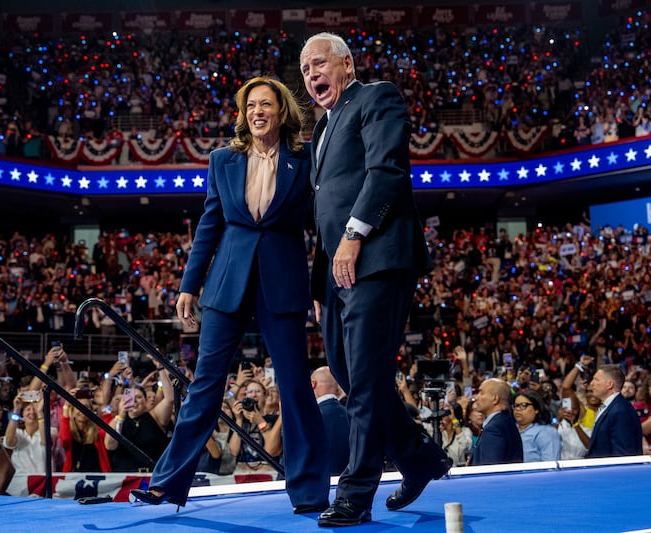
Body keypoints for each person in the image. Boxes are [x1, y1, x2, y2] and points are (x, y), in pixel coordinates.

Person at [130, 76, 329, 514]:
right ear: (243, 114)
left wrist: (319, 288)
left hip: (284, 287)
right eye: (250, 105)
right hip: (226, 286)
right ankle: (166, 484)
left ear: (282, 112)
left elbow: (323, 227)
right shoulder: (222, 160)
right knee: (205, 385)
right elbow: (209, 225)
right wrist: (188, 284)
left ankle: (311, 492)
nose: (258, 111)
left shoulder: (305, 157)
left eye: (266, 104)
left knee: (296, 388)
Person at [301, 32, 449, 527]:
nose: (311, 75)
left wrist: (353, 235)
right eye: (304, 70)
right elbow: (321, 211)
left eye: (318, 64)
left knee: (365, 378)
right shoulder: (321, 128)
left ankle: (356, 492)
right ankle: (420, 457)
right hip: (335, 273)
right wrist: (321, 282)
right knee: (349, 375)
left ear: (345, 63)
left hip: (377, 258)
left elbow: (386, 171)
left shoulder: (376, 96)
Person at [586, 366, 643, 458]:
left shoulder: (621, 411)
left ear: (609, 384)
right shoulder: (612, 407)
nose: (592, 383)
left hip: (611, 471)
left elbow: (624, 455)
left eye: (596, 380)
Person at [470, 379, 523, 465]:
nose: (476, 397)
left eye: (481, 393)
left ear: (495, 399)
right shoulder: (506, 421)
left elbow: (490, 471)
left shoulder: (494, 429)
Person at [311, 366, 350, 476]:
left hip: (318, 488)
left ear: (312, 383)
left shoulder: (308, 420)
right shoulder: (354, 417)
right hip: (349, 486)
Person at [513, 390, 561, 462]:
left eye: (523, 405)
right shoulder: (510, 430)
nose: (517, 409)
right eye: (515, 405)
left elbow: (550, 465)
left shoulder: (546, 433)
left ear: (536, 409)